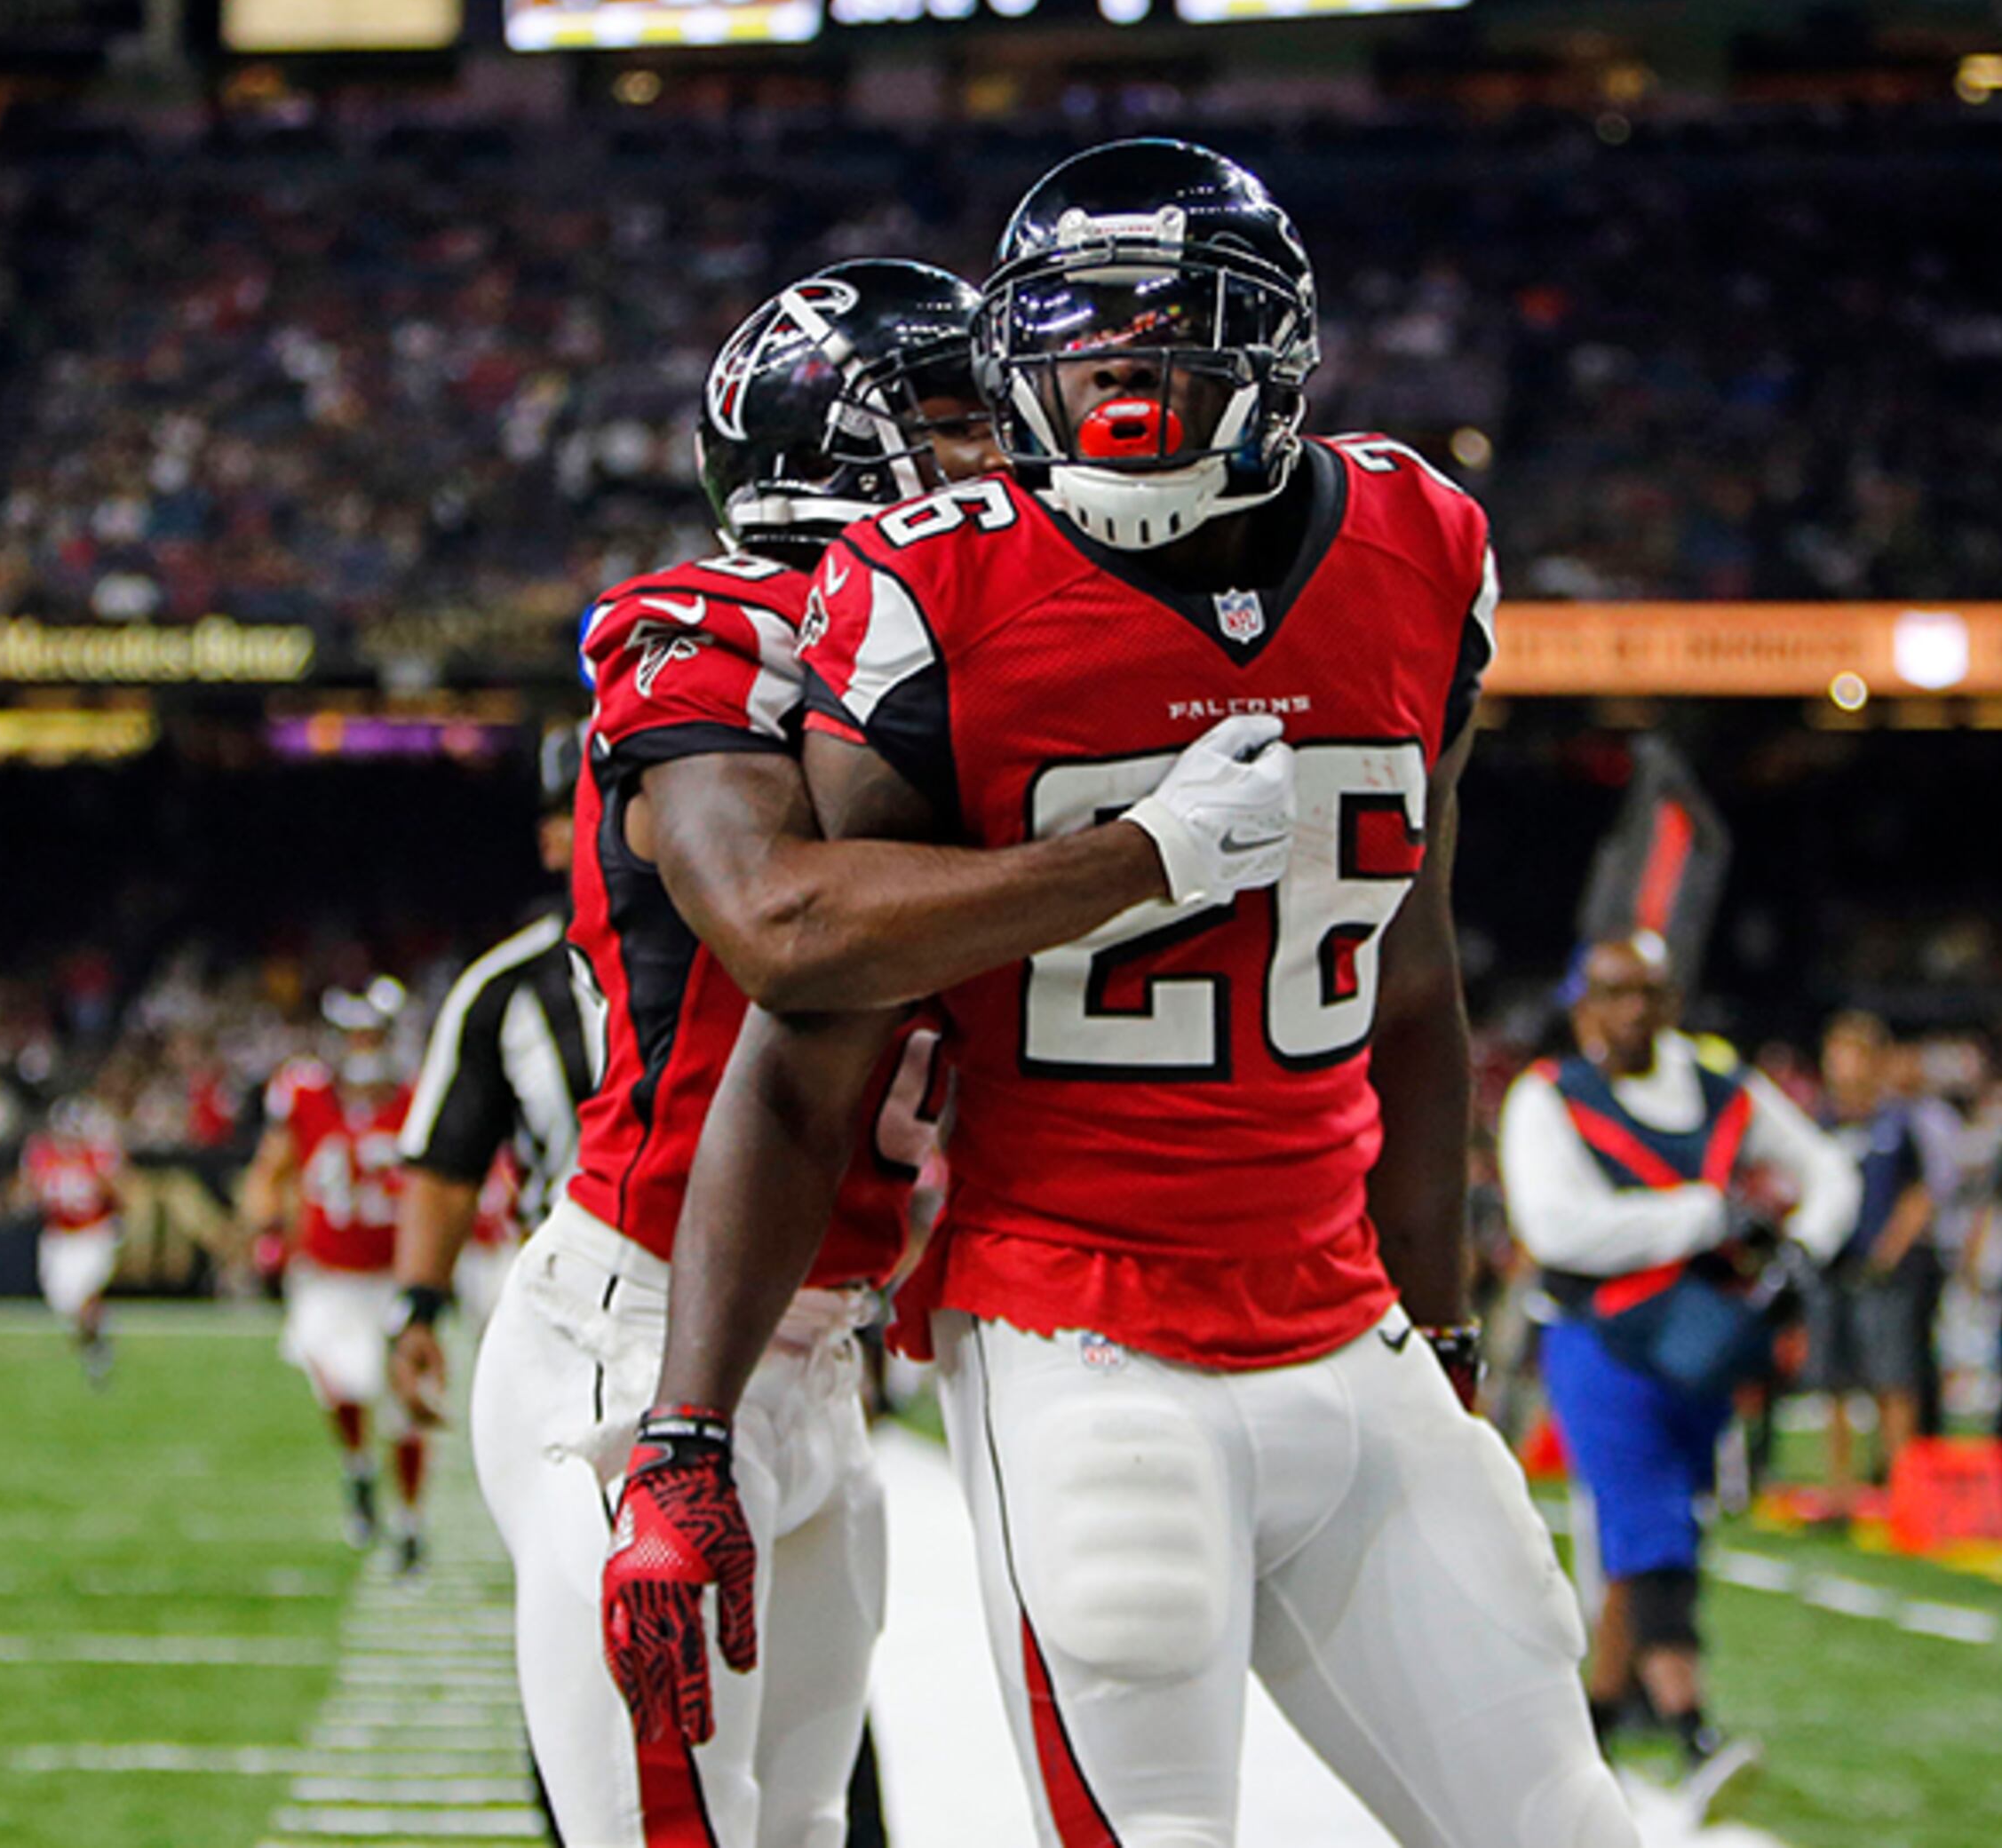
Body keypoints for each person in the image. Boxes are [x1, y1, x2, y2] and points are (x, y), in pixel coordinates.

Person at [624, 141, 1640, 1848]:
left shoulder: (1420, 540)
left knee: (1564, 1824)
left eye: (1166, 338)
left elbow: (1414, 984)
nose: (1120, 387)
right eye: (1081, 343)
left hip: (1343, 1322)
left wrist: (1444, 1319)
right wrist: (684, 1428)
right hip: (1081, 1333)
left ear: (1275, 347)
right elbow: (808, 1031)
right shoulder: (929, 589)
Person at [465, 258, 1301, 1848]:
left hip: (820, 1348)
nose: (1010, 455)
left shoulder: (963, 650)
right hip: (643, 1346)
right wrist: (1151, 849)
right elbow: (784, 924)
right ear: (828, 453)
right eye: (956, 423)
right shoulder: (714, 635)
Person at [1502, 932, 1860, 1808]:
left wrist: (1798, 1259)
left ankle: (1593, 1724)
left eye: (1649, 992)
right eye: (1616, 993)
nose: (1634, 1011)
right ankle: (1690, 1720)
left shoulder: (1720, 1084)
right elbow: (1556, 1226)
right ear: (1585, 1005)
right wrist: (1700, 1215)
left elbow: (1828, 1169)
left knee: (1662, 1524)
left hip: (1701, 1338)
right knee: (1645, 1515)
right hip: (1599, 1337)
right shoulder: (1548, 1096)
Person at [387, 723, 600, 1418]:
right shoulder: (502, 991)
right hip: (565, 1297)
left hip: (718, 1295)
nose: (610, 821)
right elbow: (447, 1164)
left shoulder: (734, 956)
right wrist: (417, 1307)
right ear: (551, 836)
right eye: (585, 803)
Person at [242, 980, 427, 1569]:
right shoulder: (305, 1094)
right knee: (339, 1382)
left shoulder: (418, 1097)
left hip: (395, 1275)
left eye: (372, 1033)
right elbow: (270, 1169)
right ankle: (358, 1467)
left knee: (407, 1405)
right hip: (325, 1273)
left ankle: (409, 1521)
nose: (363, 1044)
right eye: (354, 1033)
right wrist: (265, 1228)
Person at [1804, 1011, 1942, 1491]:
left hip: (1884, 1270)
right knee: (1832, 1380)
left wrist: (1890, 1250)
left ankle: (1901, 1481)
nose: (1841, 1065)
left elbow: (1919, 1194)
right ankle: (1839, 1485)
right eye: (1835, 1054)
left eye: (1851, 1054)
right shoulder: (1819, 1123)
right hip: (1831, 1263)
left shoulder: (1896, 1123)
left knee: (1893, 1378)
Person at [22, 1101, 128, 1387]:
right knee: (63, 1304)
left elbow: (119, 1194)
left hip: (95, 1233)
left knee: (82, 1299)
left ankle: (97, 1344)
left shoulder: (97, 1154)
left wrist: (96, 1174)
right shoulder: (43, 1155)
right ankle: (97, 1339)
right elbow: (31, 1191)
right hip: (59, 1237)